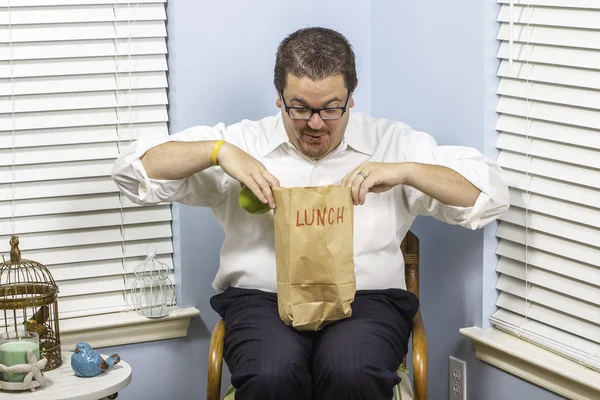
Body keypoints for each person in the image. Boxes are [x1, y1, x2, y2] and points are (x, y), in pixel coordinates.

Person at [112, 27, 509, 400]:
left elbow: (489, 193)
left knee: (350, 370)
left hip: (366, 302)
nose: (315, 124)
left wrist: (405, 171)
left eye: (331, 109)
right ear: (279, 97)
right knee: (272, 373)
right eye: (299, 108)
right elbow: (131, 171)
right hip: (262, 300)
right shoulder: (242, 141)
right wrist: (216, 151)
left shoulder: (391, 142)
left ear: (351, 96)